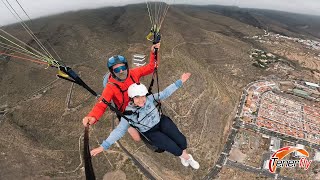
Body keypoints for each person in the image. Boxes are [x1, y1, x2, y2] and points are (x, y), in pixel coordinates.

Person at [90, 73, 200, 169]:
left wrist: (180, 81)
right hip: (150, 131)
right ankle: (188, 158)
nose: (141, 100)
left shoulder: (150, 99)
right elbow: (118, 131)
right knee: (171, 146)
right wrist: (103, 146)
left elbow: (165, 93)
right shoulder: (129, 114)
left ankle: (184, 156)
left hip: (160, 121)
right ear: (132, 98)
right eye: (137, 97)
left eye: (142, 96)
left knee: (181, 140)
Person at [82, 43, 161, 141]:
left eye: (123, 68)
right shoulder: (110, 87)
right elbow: (102, 104)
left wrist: (153, 53)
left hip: (140, 104)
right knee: (137, 138)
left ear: (127, 67)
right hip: (126, 112)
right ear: (112, 72)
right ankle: (132, 129)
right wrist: (92, 117)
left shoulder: (133, 73)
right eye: (117, 70)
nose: (121, 71)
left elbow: (151, 67)